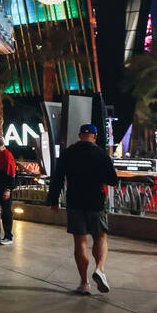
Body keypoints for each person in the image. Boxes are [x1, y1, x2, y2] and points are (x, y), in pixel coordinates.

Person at [47, 124, 118, 295]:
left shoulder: (69, 153)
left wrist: (53, 200)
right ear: (94, 136)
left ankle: (84, 283)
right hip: (96, 202)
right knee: (100, 237)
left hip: (74, 201)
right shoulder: (101, 154)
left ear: (80, 136)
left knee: (80, 242)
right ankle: (100, 269)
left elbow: (57, 178)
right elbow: (113, 180)